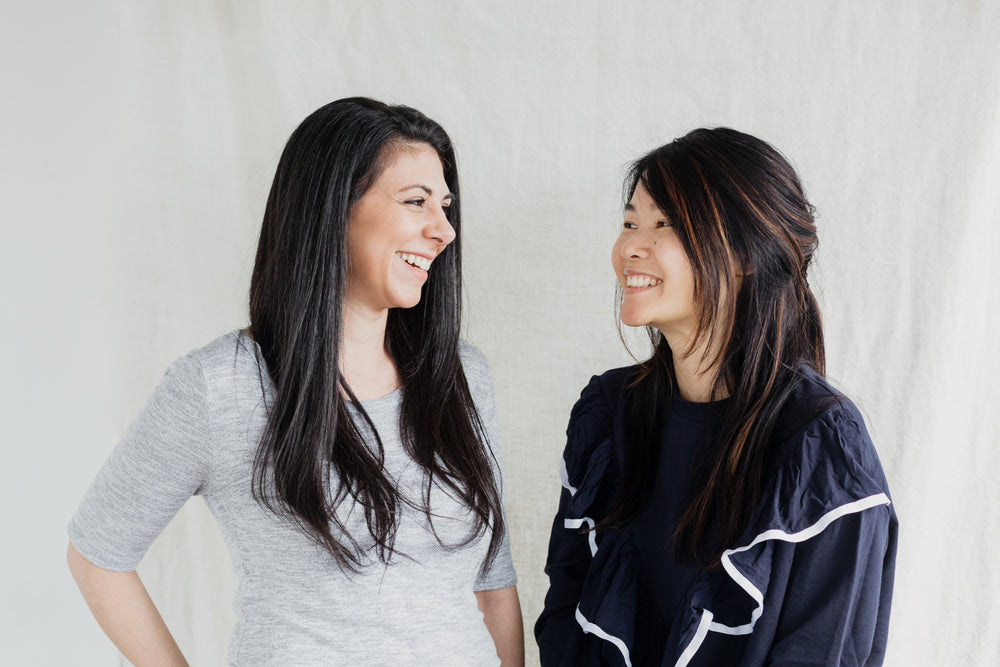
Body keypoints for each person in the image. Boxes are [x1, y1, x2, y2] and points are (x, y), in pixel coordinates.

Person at [67, 97, 524, 666]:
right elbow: (97, 554)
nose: (444, 230)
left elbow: (493, 584)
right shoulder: (221, 386)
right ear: (334, 208)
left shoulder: (460, 375)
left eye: (446, 207)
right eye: (416, 202)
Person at [535, 128, 897, 666]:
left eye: (664, 225)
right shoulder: (606, 413)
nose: (630, 245)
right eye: (630, 222)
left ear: (746, 254)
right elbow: (565, 616)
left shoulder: (821, 443)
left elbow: (824, 649)